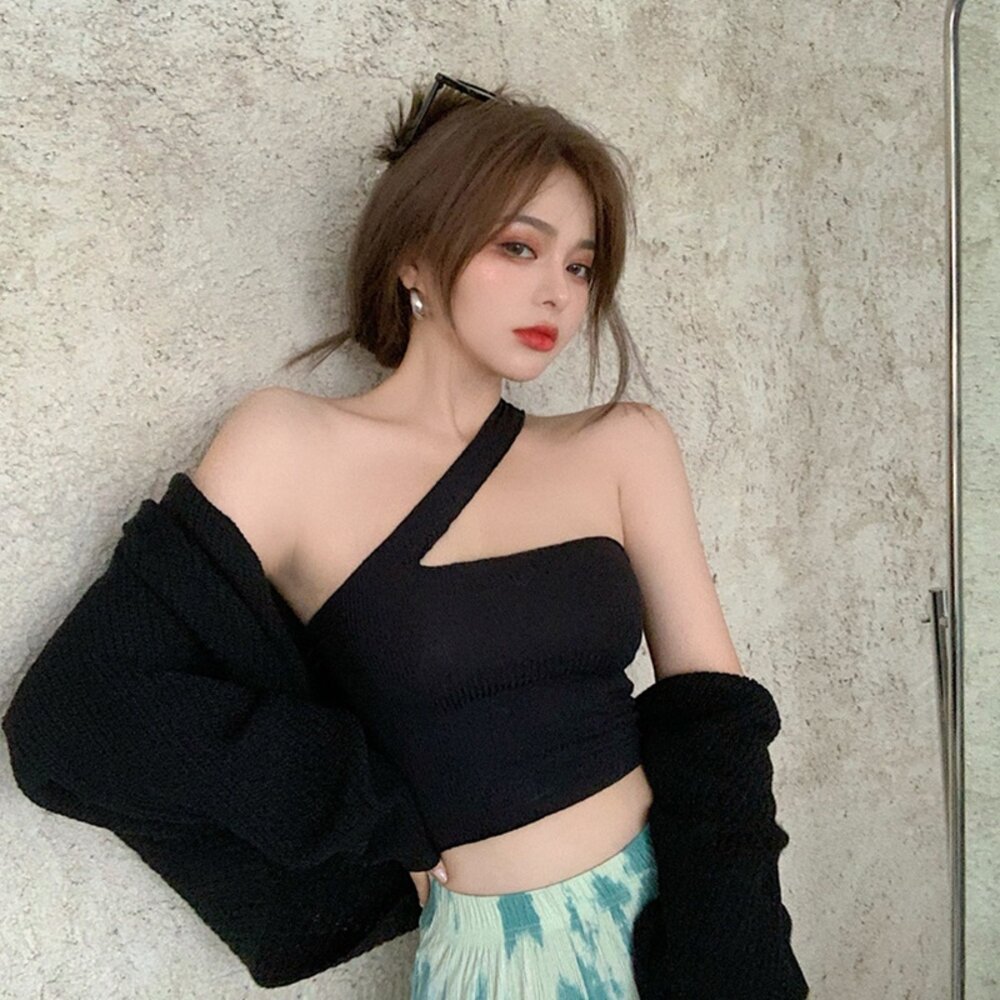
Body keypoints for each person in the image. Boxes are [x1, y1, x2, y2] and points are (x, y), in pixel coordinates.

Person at [2, 73, 809, 998]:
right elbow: (75, 714)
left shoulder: (623, 446)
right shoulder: (288, 447)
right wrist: (371, 811)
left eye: (580, 267)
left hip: (682, 921)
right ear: (415, 257)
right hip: (495, 965)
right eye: (519, 247)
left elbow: (715, 717)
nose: (556, 293)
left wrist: (740, 952)